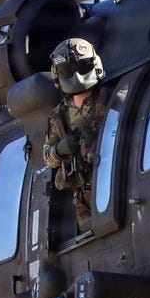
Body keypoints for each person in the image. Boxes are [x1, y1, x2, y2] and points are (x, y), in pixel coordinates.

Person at [43, 38, 107, 233]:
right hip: (84, 203)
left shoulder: (109, 97)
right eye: (68, 70)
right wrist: (60, 150)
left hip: (111, 186)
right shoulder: (58, 116)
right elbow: (47, 157)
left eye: (82, 66)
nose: (77, 75)